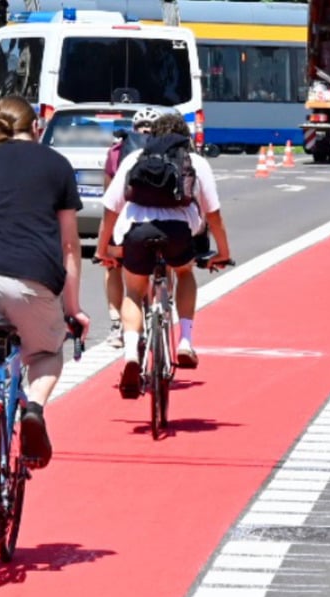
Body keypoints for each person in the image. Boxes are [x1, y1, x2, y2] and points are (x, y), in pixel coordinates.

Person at [0, 95, 90, 547]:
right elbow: (69, 247)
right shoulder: (56, 165)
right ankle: (33, 409)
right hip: (33, 281)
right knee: (45, 351)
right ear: (37, 125)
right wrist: (73, 309)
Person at [96, 113, 231, 398]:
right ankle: (184, 340)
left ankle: (131, 353)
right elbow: (214, 215)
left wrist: (102, 248)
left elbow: (110, 208)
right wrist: (223, 252)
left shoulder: (135, 158)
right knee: (184, 272)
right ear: (186, 138)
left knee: (133, 291)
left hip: (136, 231)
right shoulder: (196, 162)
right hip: (179, 233)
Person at [98, 106, 162, 348]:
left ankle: (117, 323)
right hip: (161, 222)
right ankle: (162, 309)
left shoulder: (118, 151)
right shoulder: (170, 150)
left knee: (111, 264)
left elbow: (108, 195)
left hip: (125, 221)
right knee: (163, 266)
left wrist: (102, 244)